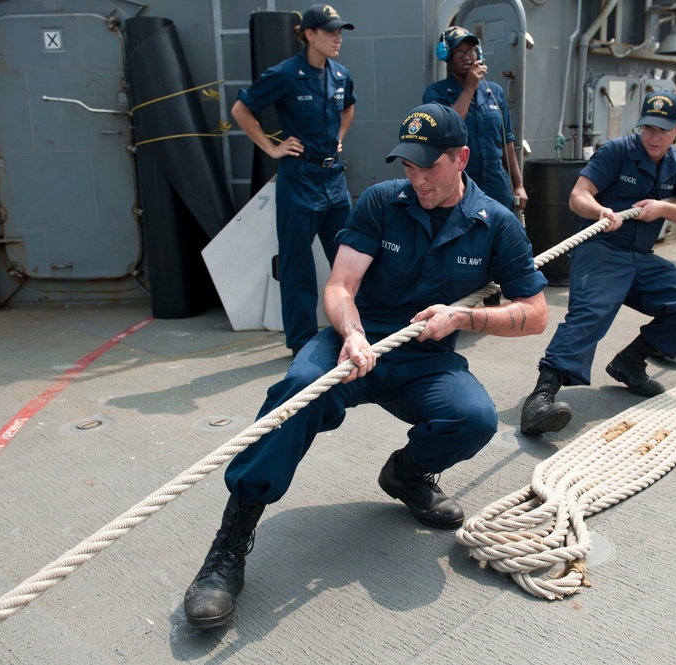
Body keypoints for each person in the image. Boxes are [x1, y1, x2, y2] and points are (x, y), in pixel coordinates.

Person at [183, 103, 549, 628]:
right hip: (354, 342)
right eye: (409, 166)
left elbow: (535, 314)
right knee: (297, 390)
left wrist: (464, 318)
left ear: (462, 158)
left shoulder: (496, 224)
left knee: (474, 418)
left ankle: (407, 474)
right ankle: (230, 544)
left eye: (430, 167)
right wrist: (352, 334)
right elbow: (340, 285)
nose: (417, 179)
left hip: (424, 358)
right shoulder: (382, 202)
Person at [520, 91, 676, 434]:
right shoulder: (617, 151)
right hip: (602, 249)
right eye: (648, 128)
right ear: (639, 125)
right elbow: (579, 196)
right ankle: (540, 399)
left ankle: (630, 362)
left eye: (663, 130)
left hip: (641, 257)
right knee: (592, 313)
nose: (654, 136)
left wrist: (665, 208)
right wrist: (600, 211)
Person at [231, 4, 356, 355]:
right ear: (309, 35)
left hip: (334, 181)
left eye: (340, 32)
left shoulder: (341, 74)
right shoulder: (285, 74)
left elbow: (349, 106)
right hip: (299, 182)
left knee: (349, 261)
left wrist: (340, 136)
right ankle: (301, 345)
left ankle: (356, 330)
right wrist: (271, 148)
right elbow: (242, 109)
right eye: (330, 32)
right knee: (297, 268)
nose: (337, 38)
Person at [423, 26, 526, 212]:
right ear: (447, 57)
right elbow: (448, 127)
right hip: (460, 183)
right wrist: (469, 89)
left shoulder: (494, 92)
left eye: (470, 50)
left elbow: (507, 142)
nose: (467, 57)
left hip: (496, 184)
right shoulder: (435, 93)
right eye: (459, 52)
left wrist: (518, 184)